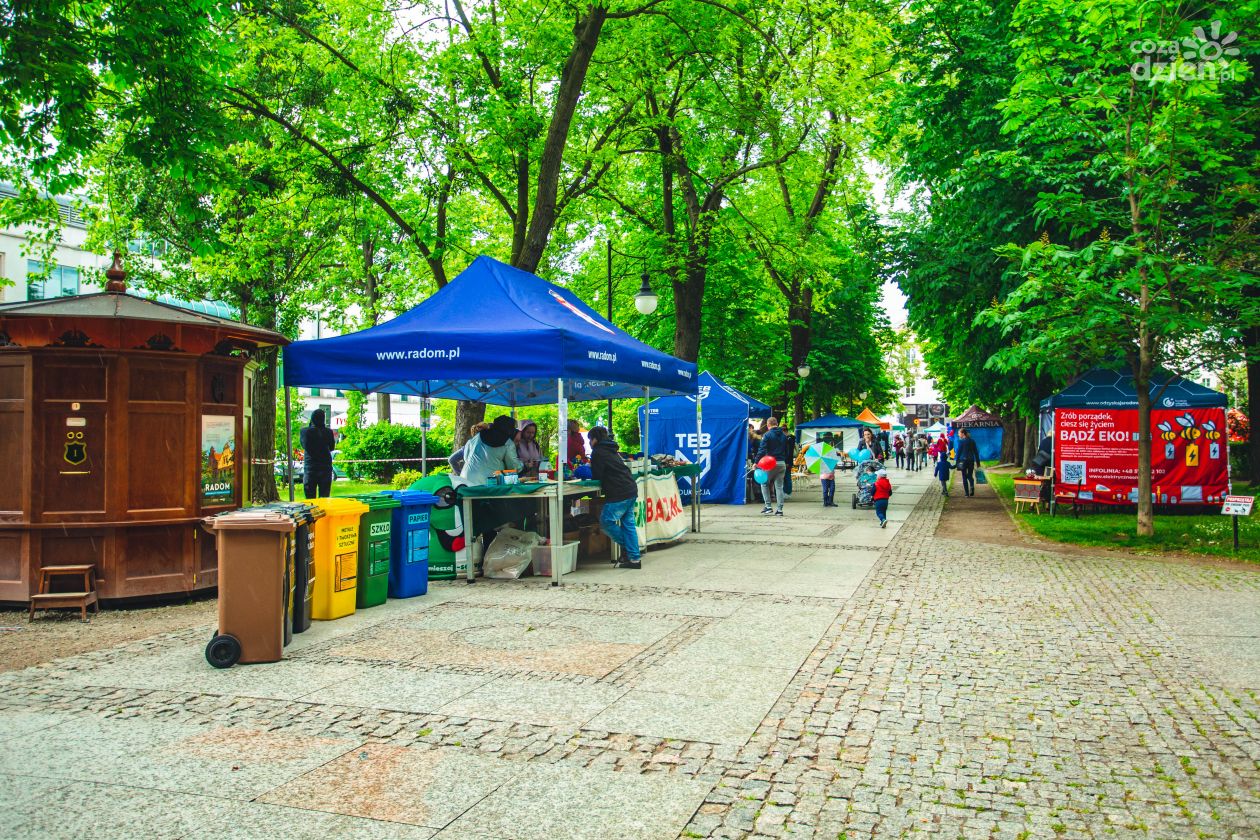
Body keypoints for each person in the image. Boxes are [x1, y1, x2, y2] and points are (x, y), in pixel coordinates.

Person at [587, 426, 641, 569]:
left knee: (606, 522)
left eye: (590, 440)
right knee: (628, 525)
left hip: (618, 491)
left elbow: (597, 475)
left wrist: (587, 469)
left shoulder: (598, 451)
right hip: (630, 488)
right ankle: (634, 559)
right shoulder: (612, 449)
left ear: (594, 439)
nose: (590, 443)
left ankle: (628, 548)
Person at [299, 409, 336, 498]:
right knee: (324, 496)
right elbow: (332, 447)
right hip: (325, 466)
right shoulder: (328, 432)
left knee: (310, 497)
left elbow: (304, 446)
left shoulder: (305, 431)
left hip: (311, 466)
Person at [757, 417, 789, 516]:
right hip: (782, 463)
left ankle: (768, 506)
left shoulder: (767, 435)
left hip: (770, 463)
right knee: (779, 487)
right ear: (777, 424)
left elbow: (762, 450)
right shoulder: (784, 435)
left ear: (768, 424)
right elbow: (787, 451)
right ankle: (779, 510)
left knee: (764, 483)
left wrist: (756, 461)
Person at [954, 427, 980, 497]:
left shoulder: (961, 442)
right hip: (971, 460)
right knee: (970, 475)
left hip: (963, 461)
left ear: (963, 433)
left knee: (964, 477)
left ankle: (966, 493)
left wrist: (956, 462)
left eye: (959, 433)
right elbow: (976, 452)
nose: (958, 435)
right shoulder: (972, 441)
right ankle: (971, 486)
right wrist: (978, 463)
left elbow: (958, 453)